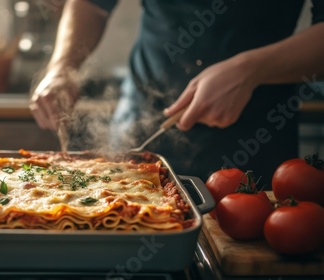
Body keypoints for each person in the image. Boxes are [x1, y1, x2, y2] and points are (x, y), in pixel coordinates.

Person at [29, 0, 324, 186]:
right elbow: (92, 4)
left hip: (258, 136)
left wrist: (251, 70)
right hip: (141, 115)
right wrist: (61, 67)